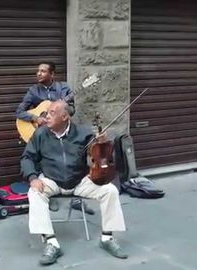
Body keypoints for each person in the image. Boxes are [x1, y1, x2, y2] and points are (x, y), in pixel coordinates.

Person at [21, 100, 127, 266]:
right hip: (52, 180)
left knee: (110, 190)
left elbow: (99, 156)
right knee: (34, 193)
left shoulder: (82, 133)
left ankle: (107, 238)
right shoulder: (40, 134)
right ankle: (51, 243)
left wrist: (102, 144)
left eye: (52, 113)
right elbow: (27, 157)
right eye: (47, 112)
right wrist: (33, 178)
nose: (46, 116)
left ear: (64, 117)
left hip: (79, 180)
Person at [15, 61, 94, 214]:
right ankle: (49, 197)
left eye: (43, 71)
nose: (39, 74)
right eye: (38, 71)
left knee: (73, 160)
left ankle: (77, 199)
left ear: (52, 74)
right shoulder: (33, 91)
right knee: (43, 161)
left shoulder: (63, 88)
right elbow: (19, 112)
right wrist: (36, 118)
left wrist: (60, 111)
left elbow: (71, 110)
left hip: (62, 129)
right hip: (43, 133)